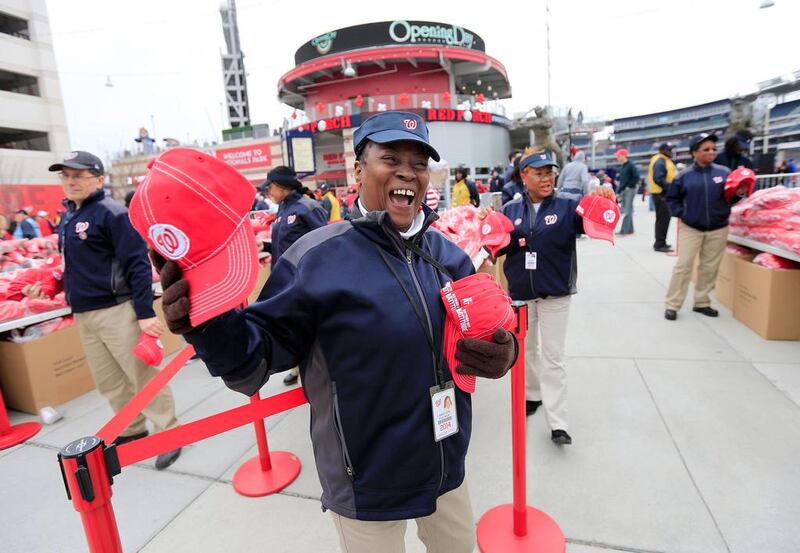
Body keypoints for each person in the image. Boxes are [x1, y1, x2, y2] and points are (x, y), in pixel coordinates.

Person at [155, 111, 517, 552]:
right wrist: (206, 320)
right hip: (366, 480)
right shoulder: (315, 259)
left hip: (445, 463)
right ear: (358, 169)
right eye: (390, 158)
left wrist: (505, 350)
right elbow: (250, 361)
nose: (408, 172)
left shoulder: (447, 254)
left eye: (419, 163)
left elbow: (482, 327)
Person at [48, 150, 181, 470]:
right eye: (65, 175)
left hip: (116, 309)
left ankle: (169, 433)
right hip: (85, 312)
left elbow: (136, 264)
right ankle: (132, 428)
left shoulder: (111, 213)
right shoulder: (69, 216)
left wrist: (144, 313)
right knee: (108, 380)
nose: (70, 181)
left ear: (98, 178)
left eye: (77, 175)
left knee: (140, 375)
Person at [490, 148, 615, 446]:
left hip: (556, 294)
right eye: (539, 173)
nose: (546, 178)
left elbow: (593, 220)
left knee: (553, 357)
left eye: (550, 172)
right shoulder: (510, 211)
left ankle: (558, 422)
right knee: (528, 351)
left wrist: (602, 196)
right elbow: (498, 245)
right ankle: (533, 395)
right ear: (524, 176)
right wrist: (487, 220)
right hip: (521, 294)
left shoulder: (569, 207)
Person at [664, 133, 744, 321]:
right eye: (706, 149)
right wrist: (682, 214)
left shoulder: (724, 173)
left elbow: (730, 197)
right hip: (691, 227)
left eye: (714, 149)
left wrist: (738, 195)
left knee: (710, 267)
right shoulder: (683, 176)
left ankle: (701, 302)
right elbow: (672, 198)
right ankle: (672, 304)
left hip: (718, 228)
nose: (712, 152)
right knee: (683, 266)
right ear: (694, 152)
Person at [263, 165, 328, 385]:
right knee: (293, 326)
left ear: (282, 185)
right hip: (285, 281)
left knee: (313, 326)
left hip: (307, 280)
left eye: (270, 186)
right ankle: (297, 366)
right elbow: (284, 243)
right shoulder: (281, 209)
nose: (268, 191)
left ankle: (320, 369)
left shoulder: (307, 207)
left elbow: (326, 242)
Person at [648, 143, 676, 252]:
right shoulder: (660, 160)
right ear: (664, 150)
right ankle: (659, 244)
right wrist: (670, 188)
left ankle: (661, 242)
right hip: (662, 194)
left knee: (663, 219)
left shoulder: (663, 159)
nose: (671, 152)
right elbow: (658, 178)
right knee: (663, 219)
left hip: (662, 193)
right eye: (670, 150)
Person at [615, 148, 640, 235]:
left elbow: (636, 176)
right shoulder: (623, 166)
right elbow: (622, 181)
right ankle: (630, 230)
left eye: (618, 156)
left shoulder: (631, 165)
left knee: (627, 210)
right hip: (624, 189)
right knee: (627, 209)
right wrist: (618, 191)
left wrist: (629, 186)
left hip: (630, 189)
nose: (617, 158)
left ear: (623, 156)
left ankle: (624, 230)